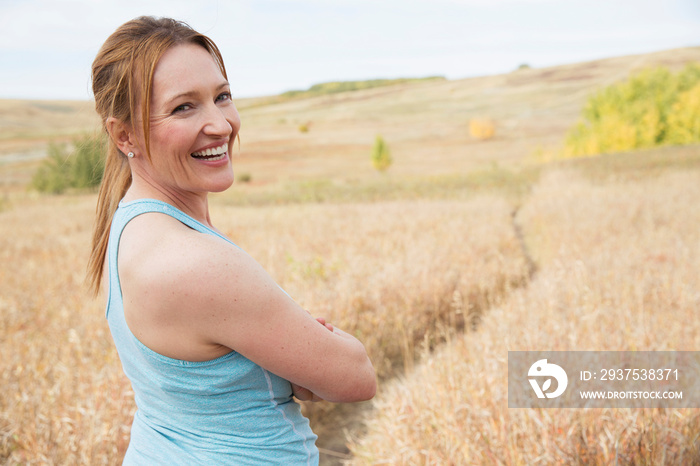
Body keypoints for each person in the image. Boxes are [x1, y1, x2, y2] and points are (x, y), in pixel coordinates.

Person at [86, 16, 376, 465]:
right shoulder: (194, 263)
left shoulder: (128, 226)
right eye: (184, 107)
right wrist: (308, 355)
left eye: (222, 96)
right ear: (124, 135)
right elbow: (354, 376)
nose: (220, 125)